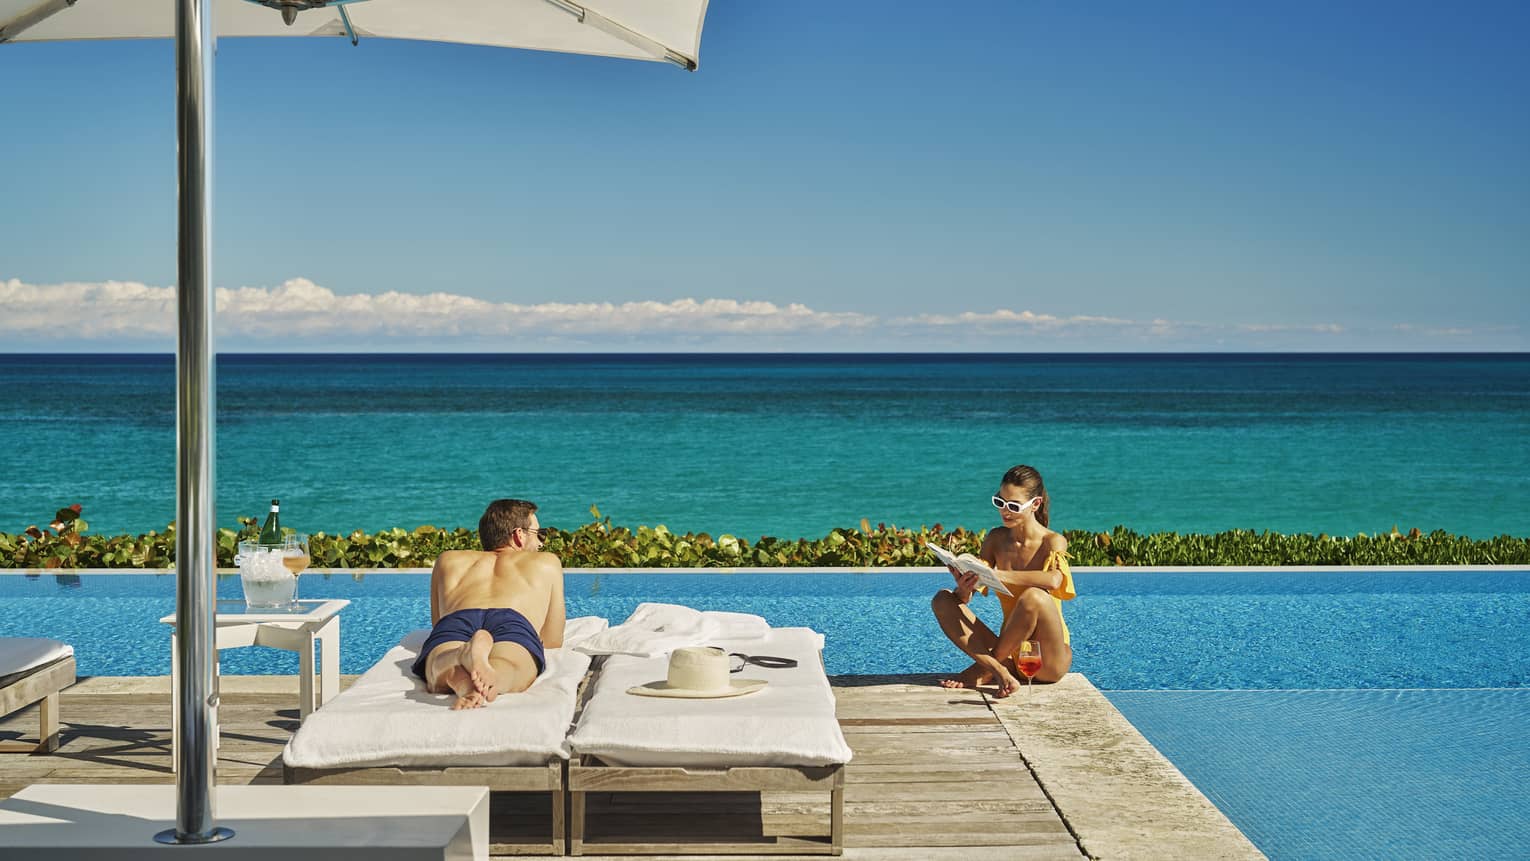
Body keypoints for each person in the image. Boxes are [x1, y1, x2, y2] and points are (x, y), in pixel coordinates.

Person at [931, 465, 1075, 697]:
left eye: (1014, 506)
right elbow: (968, 597)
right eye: (1000, 502)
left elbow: (1054, 580)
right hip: (1011, 652)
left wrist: (1000, 575)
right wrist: (964, 588)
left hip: (1048, 659)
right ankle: (998, 669)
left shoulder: (1053, 541)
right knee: (942, 600)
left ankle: (984, 668)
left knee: (1034, 596)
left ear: (1035, 504)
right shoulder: (996, 539)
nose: (1005, 511)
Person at [411, 498, 567, 710]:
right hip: (512, 620)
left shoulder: (448, 560)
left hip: (459, 618)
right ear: (519, 535)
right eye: (538, 534)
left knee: (435, 667)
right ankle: (494, 681)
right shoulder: (547, 562)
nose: (541, 542)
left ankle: (460, 664)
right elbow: (552, 640)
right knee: (512, 668)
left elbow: (438, 622)